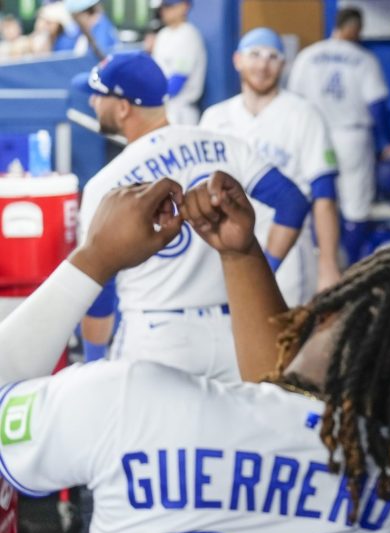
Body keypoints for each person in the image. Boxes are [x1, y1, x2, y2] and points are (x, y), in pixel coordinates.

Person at [0, 172, 390, 533]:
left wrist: (97, 257)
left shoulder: (129, 399)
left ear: (324, 313)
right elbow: (279, 412)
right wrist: (240, 253)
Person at [73, 51, 309, 382]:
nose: (94, 102)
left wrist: (93, 362)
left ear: (124, 107)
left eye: (100, 95)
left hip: (157, 336)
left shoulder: (107, 183)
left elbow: (100, 290)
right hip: (234, 330)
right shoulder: (224, 144)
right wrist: (262, 269)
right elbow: (293, 203)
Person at [200, 27, 342, 304]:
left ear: (283, 64)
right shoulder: (214, 118)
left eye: (272, 57)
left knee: (285, 341)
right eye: (254, 55)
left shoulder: (304, 114)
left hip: (288, 254)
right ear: (237, 60)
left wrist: (328, 266)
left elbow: (324, 198)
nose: (262, 65)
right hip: (224, 250)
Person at [288, 6, 390, 265]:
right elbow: (377, 106)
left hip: (314, 136)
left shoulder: (308, 56)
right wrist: (389, 142)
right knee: (356, 207)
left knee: (320, 200)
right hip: (352, 138)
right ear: (354, 27)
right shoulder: (364, 58)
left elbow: (293, 103)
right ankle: (348, 267)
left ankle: (323, 262)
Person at [151, 0, 206, 125]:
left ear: (184, 6)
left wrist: (152, 97)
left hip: (182, 112)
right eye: (164, 7)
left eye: (170, 6)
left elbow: (177, 81)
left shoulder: (189, 34)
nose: (165, 11)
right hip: (162, 107)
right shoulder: (162, 35)